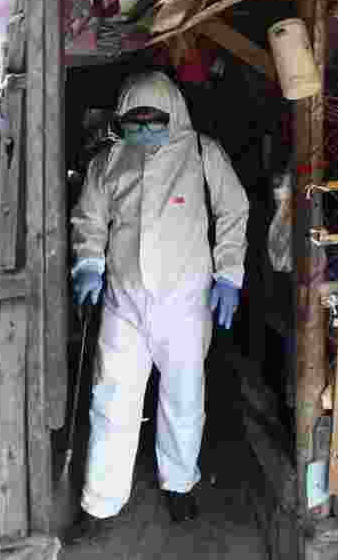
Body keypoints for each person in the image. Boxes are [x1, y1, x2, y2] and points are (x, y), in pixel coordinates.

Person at [66, 70, 249, 545]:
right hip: (123, 302)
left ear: (175, 115)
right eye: (136, 119)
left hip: (185, 303)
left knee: (184, 398)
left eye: (155, 119)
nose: (145, 128)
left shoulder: (203, 153)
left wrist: (229, 274)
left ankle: (180, 483)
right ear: (122, 118)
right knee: (111, 400)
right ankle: (100, 501)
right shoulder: (109, 161)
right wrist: (88, 262)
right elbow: (89, 217)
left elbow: (234, 209)